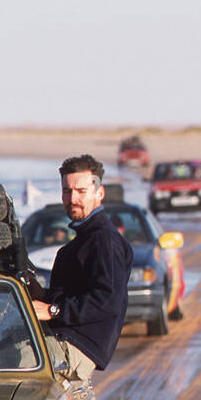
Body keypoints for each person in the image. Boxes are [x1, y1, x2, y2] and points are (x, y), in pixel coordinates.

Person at [30, 155, 132, 381]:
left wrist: (51, 311)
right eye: (67, 191)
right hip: (64, 340)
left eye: (81, 191)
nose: (72, 198)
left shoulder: (105, 240)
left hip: (76, 348)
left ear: (99, 193)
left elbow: (108, 300)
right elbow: (67, 297)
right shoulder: (79, 245)